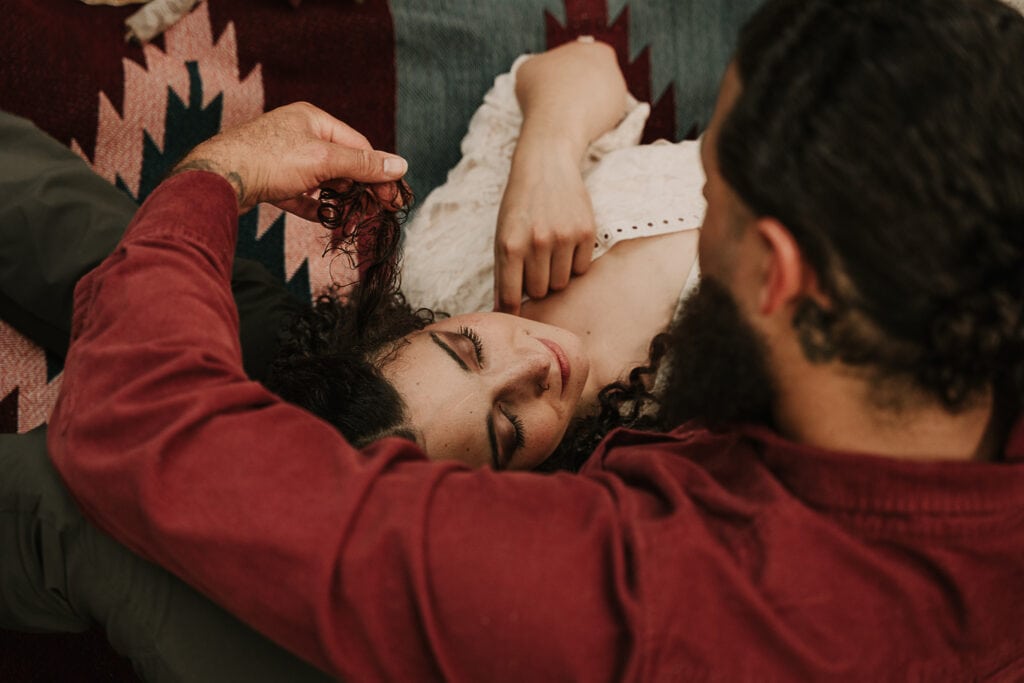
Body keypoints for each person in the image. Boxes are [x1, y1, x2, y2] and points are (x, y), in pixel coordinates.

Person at [46, 0, 1024, 680]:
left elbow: (143, 433)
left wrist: (213, 176)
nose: (696, 193)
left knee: (63, 501)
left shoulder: (655, 605)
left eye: (711, 190)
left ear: (774, 271)